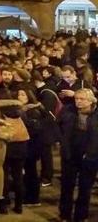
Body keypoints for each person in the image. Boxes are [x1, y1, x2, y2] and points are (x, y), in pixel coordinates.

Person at [58, 88, 98, 222]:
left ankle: (81, 216)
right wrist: (62, 144)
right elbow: (58, 127)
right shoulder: (68, 110)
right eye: (76, 98)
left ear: (91, 100)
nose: (78, 102)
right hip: (70, 153)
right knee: (66, 186)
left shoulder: (96, 114)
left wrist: (92, 152)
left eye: (82, 99)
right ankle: (64, 215)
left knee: (85, 188)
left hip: (91, 156)